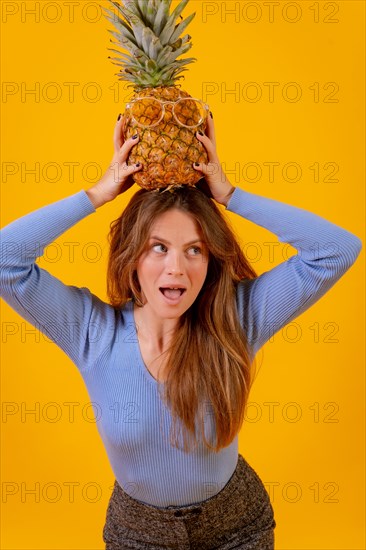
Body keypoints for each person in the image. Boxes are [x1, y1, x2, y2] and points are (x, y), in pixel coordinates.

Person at [0, 113, 362, 550]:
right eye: (158, 247)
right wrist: (98, 194)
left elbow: (337, 250)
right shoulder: (91, 332)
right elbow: (6, 261)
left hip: (237, 525)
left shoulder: (237, 321)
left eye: (195, 249)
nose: (177, 268)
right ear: (132, 256)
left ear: (210, 261)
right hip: (138, 533)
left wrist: (231, 195)